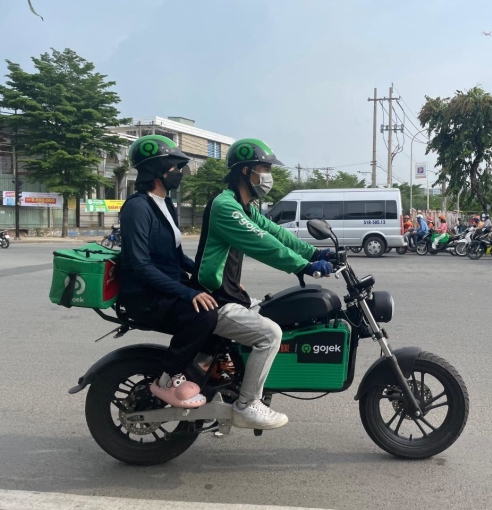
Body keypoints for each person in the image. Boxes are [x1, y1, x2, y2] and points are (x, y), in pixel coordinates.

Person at [191, 138, 334, 430]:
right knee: (269, 334)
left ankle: (236, 381)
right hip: (214, 299)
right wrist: (304, 265)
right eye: (264, 168)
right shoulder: (225, 206)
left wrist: (314, 252)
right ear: (245, 171)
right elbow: (263, 244)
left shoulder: (245, 208)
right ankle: (246, 404)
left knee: (274, 312)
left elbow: (277, 234)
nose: (268, 175)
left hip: (230, 295)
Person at [118, 135, 218, 409]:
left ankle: (204, 372)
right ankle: (167, 379)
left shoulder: (166, 204)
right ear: (155, 170)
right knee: (204, 316)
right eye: (174, 168)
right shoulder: (137, 208)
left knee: (223, 300)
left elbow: (175, 256)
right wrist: (187, 292)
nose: (179, 173)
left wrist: (208, 278)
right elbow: (140, 264)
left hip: (166, 288)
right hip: (146, 296)